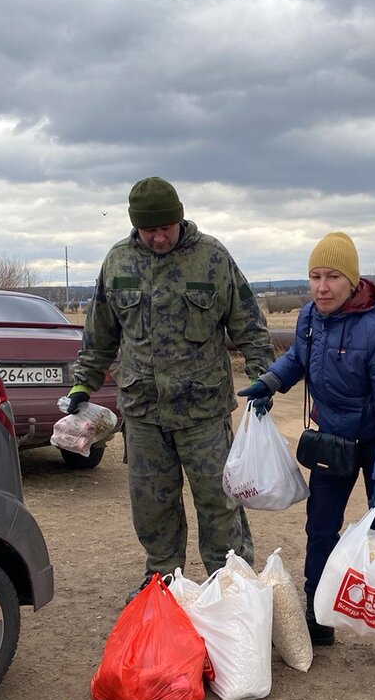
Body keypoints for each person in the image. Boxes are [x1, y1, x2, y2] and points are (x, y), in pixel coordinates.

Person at [68, 177, 274, 599]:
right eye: (150, 230)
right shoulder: (118, 262)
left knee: (219, 504)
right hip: (143, 413)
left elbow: (249, 325)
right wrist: (82, 385)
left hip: (202, 412)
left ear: (180, 219)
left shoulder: (212, 258)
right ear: (136, 227)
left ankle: (231, 586)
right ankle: (162, 584)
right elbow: (100, 334)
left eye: (167, 227)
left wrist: (263, 376)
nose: (159, 237)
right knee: (152, 507)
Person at [238, 232, 375, 679]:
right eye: (315, 277)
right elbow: (297, 361)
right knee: (321, 528)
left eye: (333, 277)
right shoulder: (309, 318)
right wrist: (270, 383)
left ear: (352, 280)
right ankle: (318, 620)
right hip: (332, 442)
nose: (322, 287)